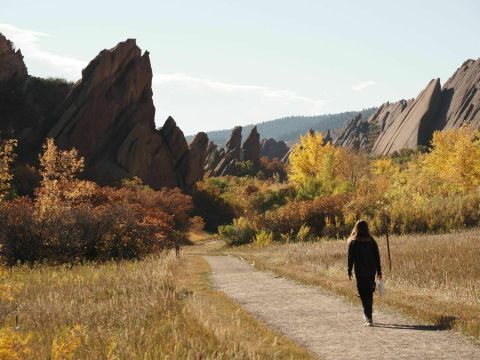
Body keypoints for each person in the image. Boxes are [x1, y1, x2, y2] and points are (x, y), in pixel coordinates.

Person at [347, 220, 382, 326]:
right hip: (371, 271)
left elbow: (350, 258)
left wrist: (349, 270)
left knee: (363, 294)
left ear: (356, 228)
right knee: (369, 293)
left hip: (360, 272)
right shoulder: (372, 241)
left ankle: (368, 316)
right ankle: (368, 315)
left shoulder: (353, 242)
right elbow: (377, 257)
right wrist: (379, 271)